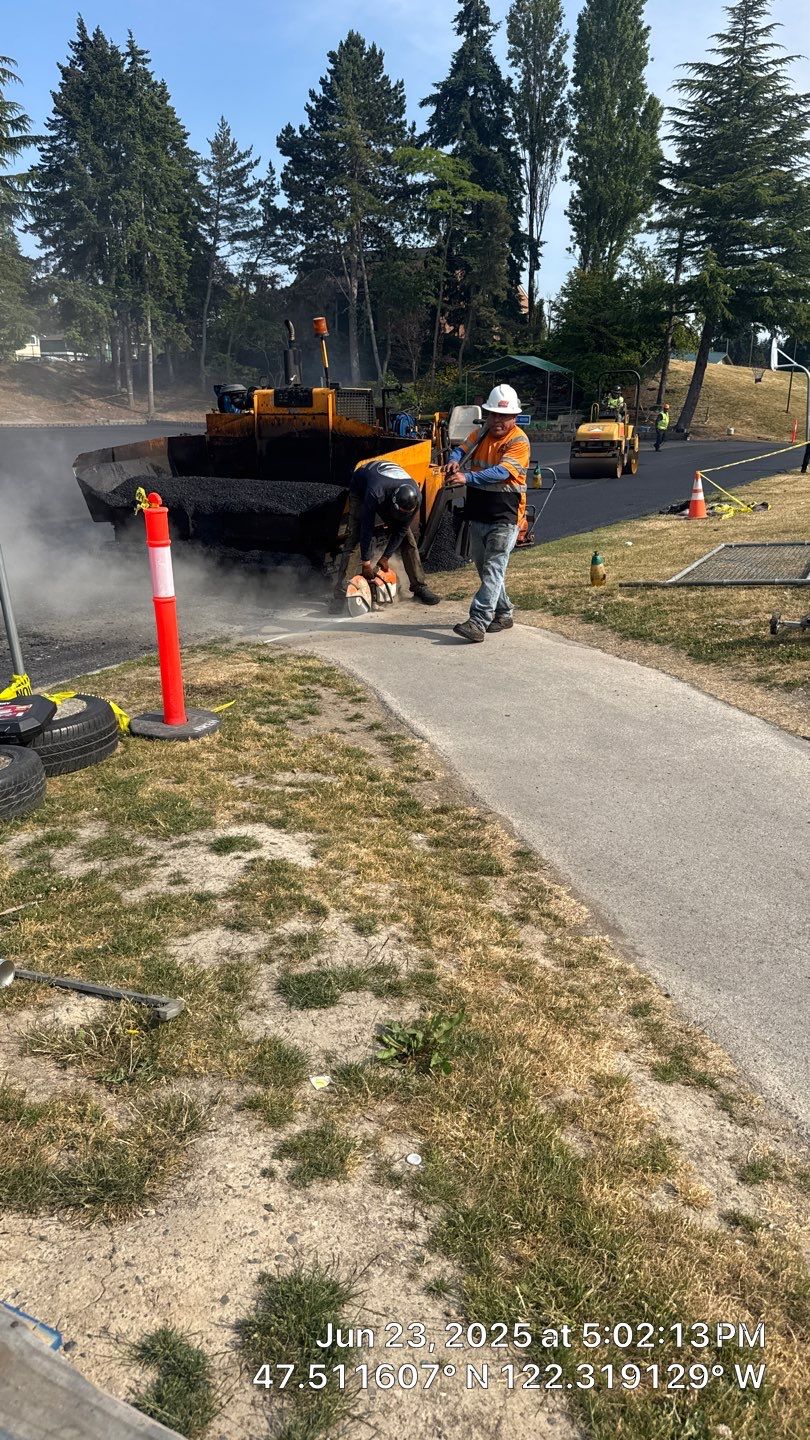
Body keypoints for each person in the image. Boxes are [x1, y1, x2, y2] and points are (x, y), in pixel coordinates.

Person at [445, 384, 530, 643]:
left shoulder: (518, 441)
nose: (498, 421)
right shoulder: (480, 434)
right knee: (485, 568)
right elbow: (462, 448)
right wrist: (454, 458)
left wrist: (466, 476)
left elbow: (502, 473)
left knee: (494, 567)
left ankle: (478, 621)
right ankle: (504, 612)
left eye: (504, 416)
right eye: (494, 414)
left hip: (505, 514)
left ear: (514, 417)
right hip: (479, 511)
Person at [330, 460, 440, 610]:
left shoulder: (416, 498)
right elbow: (366, 528)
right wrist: (366, 563)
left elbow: (401, 530)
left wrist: (385, 557)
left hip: (385, 487)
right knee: (355, 536)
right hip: (361, 487)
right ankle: (341, 594)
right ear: (393, 503)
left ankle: (419, 587)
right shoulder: (375, 493)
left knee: (408, 540)